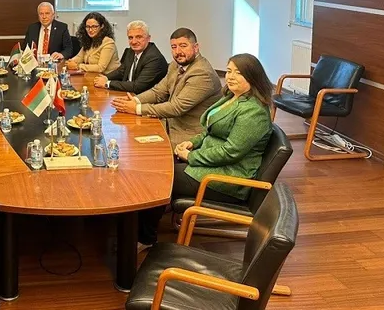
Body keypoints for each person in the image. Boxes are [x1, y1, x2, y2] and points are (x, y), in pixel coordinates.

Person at [138, 53, 274, 246]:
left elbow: (230, 152)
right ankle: (143, 226)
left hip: (227, 177)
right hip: (211, 165)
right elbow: (211, 131)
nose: (230, 77)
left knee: (158, 178)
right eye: (229, 71)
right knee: (158, 167)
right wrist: (192, 143)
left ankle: (145, 239)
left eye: (238, 73)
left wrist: (192, 156)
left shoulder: (254, 111)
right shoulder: (231, 97)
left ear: (253, 77)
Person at [111, 27, 221, 144]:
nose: (178, 51)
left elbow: (176, 108)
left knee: (137, 145)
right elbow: (158, 92)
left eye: (183, 46)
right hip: (168, 124)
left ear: (196, 47)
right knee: (127, 138)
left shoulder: (202, 73)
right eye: (174, 47)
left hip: (187, 136)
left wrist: (137, 108)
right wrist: (135, 100)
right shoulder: (175, 65)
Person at [94, 20, 168, 93]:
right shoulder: (130, 51)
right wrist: (106, 77)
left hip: (143, 97)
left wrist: (107, 83)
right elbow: (121, 71)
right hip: (129, 93)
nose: (134, 42)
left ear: (148, 38)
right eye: (130, 38)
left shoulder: (154, 58)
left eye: (139, 37)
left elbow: (137, 86)